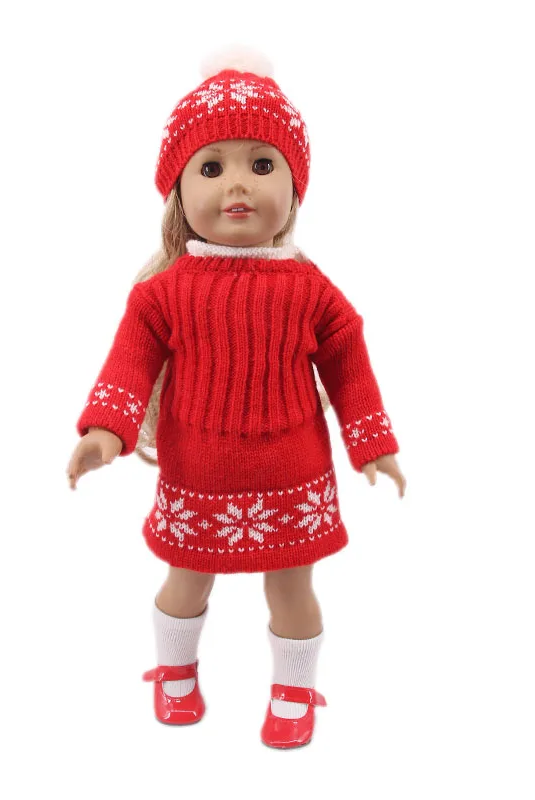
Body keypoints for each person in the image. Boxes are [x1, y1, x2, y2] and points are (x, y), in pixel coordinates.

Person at [66, 46, 407, 749]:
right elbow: (130, 364)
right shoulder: (162, 293)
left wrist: (372, 442)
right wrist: (106, 429)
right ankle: (174, 673)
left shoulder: (311, 288)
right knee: (187, 580)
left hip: (293, 473)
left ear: (295, 185)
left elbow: (349, 360)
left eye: (262, 163)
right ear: (178, 191)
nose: (238, 185)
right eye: (211, 168)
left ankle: (294, 688)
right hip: (198, 473)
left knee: (292, 589)